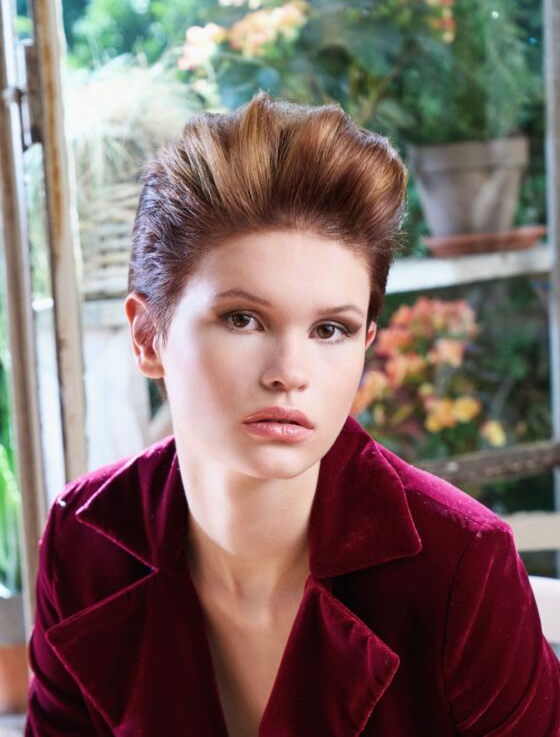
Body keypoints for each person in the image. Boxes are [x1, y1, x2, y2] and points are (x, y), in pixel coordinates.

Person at [26, 92, 560, 737]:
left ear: (365, 344)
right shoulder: (83, 540)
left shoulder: (461, 567)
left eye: (330, 329)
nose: (289, 371)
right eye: (242, 319)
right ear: (147, 337)